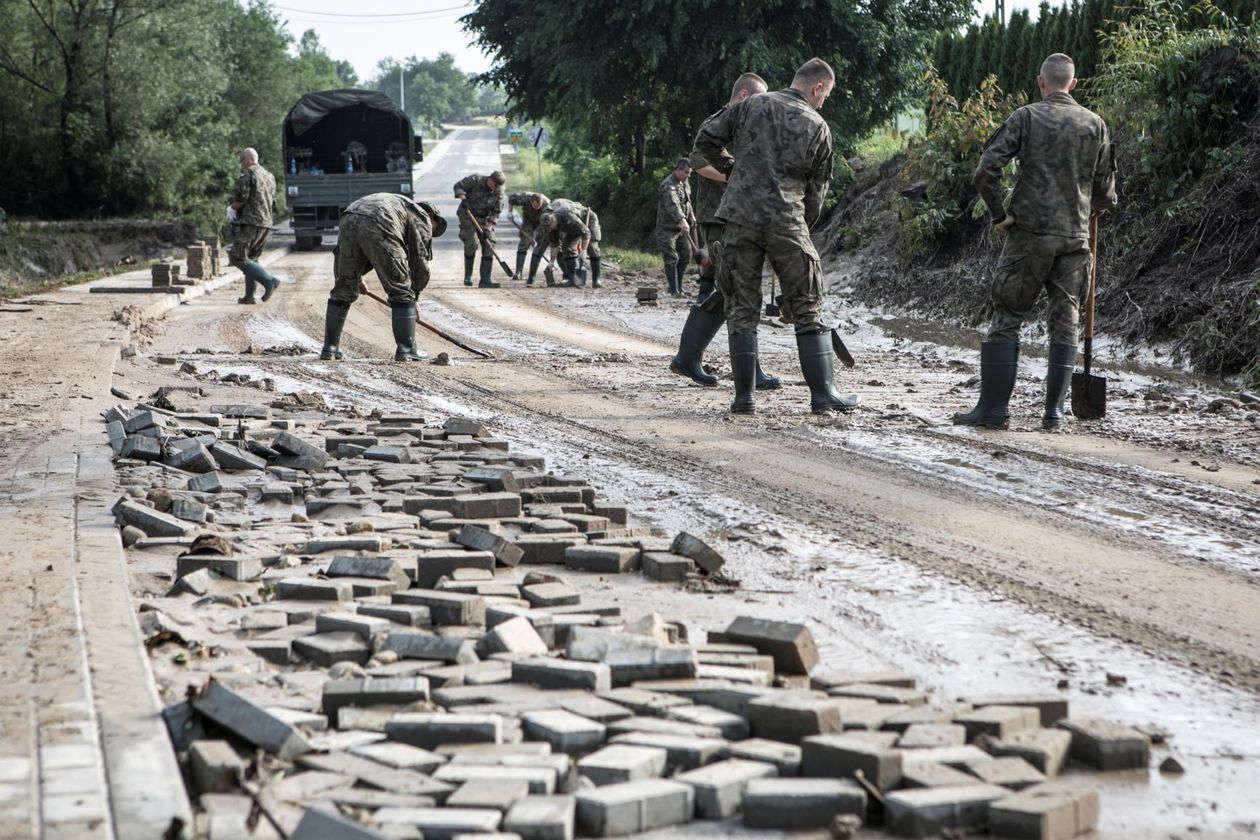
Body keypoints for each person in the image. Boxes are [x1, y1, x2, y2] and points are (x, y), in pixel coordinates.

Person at [955, 52, 1118, 430]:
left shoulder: (1026, 117)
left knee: (1008, 316)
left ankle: (994, 410)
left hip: (1028, 237)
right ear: (1073, 84)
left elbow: (985, 172)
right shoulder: (1096, 125)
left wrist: (999, 215)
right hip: (1074, 238)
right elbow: (1107, 195)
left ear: (1040, 82)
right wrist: (1084, 212)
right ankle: (1054, 412)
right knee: (1067, 320)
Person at [695, 57, 858, 414]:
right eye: (825, 95)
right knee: (807, 305)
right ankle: (822, 395)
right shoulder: (817, 125)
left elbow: (705, 140)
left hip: (739, 218)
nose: (823, 102)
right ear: (817, 88)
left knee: (741, 306)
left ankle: (744, 398)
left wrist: (734, 170)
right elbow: (817, 192)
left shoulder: (750, 105)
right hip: (787, 220)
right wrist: (801, 223)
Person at [671, 72, 781, 392]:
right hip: (719, 217)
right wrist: (736, 178)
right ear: (744, 95)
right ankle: (748, 370)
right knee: (737, 290)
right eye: (760, 99)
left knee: (718, 288)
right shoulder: (723, 119)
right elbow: (699, 160)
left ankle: (688, 358)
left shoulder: (744, 124)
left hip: (733, 217)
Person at [318, 193, 446, 362]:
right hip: (380, 220)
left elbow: (342, 255)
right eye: (434, 229)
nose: (431, 232)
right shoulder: (421, 215)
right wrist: (414, 297)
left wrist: (355, 278)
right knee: (400, 289)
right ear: (432, 216)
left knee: (343, 288)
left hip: (350, 215)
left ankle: (330, 348)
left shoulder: (398, 205)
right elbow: (419, 261)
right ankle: (407, 349)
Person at [227, 148, 279, 304]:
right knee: (252, 258)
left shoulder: (248, 173)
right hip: (266, 222)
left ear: (248, 159)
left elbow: (242, 197)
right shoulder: (269, 176)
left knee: (237, 256)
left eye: (241, 161)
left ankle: (269, 281)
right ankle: (249, 296)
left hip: (252, 222)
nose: (241, 165)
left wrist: (232, 208)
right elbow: (274, 202)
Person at [453, 171, 506, 288]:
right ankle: (468, 276)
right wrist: (463, 198)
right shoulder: (476, 180)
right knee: (472, 242)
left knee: (490, 243)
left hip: (484, 219)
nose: (495, 188)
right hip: (468, 215)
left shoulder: (499, 191)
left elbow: (496, 211)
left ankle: (485, 280)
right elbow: (458, 186)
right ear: (491, 180)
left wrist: (489, 227)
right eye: (495, 185)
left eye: (498, 186)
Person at [656, 158, 695, 296]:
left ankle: (679, 286)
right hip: (667, 229)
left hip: (680, 229)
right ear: (678, 170)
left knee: (686, 255)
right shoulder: (668, 185)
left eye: (690, 172)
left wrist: (691, 216)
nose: (688, 175)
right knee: (672, 257)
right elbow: (673, 205)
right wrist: (682, 220)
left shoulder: (684, 182)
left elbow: (686, 201)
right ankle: (674, 290)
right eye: (686, 172)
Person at [548, 203, 604, 288]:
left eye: (549, 226)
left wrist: (584, 250)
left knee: (592, 247)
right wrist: (551, 262)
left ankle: (596, 280)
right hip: (573, 228)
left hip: (588, 221)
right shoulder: (552, 226)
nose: (549, 229)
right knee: (566, 247)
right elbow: (554, 245)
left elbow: (586, 232)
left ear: (553, 221)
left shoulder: (568, 216)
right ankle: (574, 279)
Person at [508, 191, 549, 283]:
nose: (537, 208)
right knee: (524, 242)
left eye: (539, 207)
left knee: (538, 244)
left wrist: (537, 238)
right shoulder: (524, 198)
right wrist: (510, 213)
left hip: (540, 222)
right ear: (531, 201)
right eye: (535, 206)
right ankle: (518, 272)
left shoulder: (547, 204)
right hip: (528, 220)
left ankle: (532, 275)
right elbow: (511, 199)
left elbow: (548, 221)